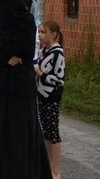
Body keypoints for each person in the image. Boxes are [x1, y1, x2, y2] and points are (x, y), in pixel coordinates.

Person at [0, 0, 51, 179]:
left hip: (19, 84)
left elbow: (25, 50)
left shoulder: (27, 20)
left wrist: (6, 55)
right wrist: (6, 58)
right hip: (1, 82)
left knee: (18, 134)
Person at [35, 20, 65, 179]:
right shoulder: (43, 51)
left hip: (51, 96)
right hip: (41, 95)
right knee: (45, 131)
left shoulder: (57, 53)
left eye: (43, 32)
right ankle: (46, 167)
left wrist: (41, 73)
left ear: (53, 34)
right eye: (39, 32)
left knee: (53, 132)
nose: (40, 35)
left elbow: (60, 79)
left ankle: (56, 170)